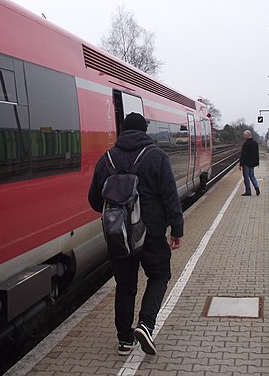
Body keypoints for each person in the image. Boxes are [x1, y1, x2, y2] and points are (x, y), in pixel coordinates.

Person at [88, 112, 184, 356]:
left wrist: (116, 211)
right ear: (144, 132)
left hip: (119, 234)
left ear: (123, 131)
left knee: (125, 285)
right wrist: (177, 230)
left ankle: (124, 340)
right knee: (159, 275)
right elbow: (170, 197)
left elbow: (93, 199)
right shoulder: (157, 156)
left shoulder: (107, 158)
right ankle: (146, 324)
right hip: (151, 233)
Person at [239, 130, 260, 196]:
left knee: (246, 177)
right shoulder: (255, 143)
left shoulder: (246, 144)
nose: (244, 136)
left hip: (246, 163)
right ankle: (256, 188)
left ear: (248, 135)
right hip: (253, 163)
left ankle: (248, 191)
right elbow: (257, 154)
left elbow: (243, 155)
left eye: (244, 135)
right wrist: (257, 162)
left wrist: (241, 164)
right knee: (252, 176)